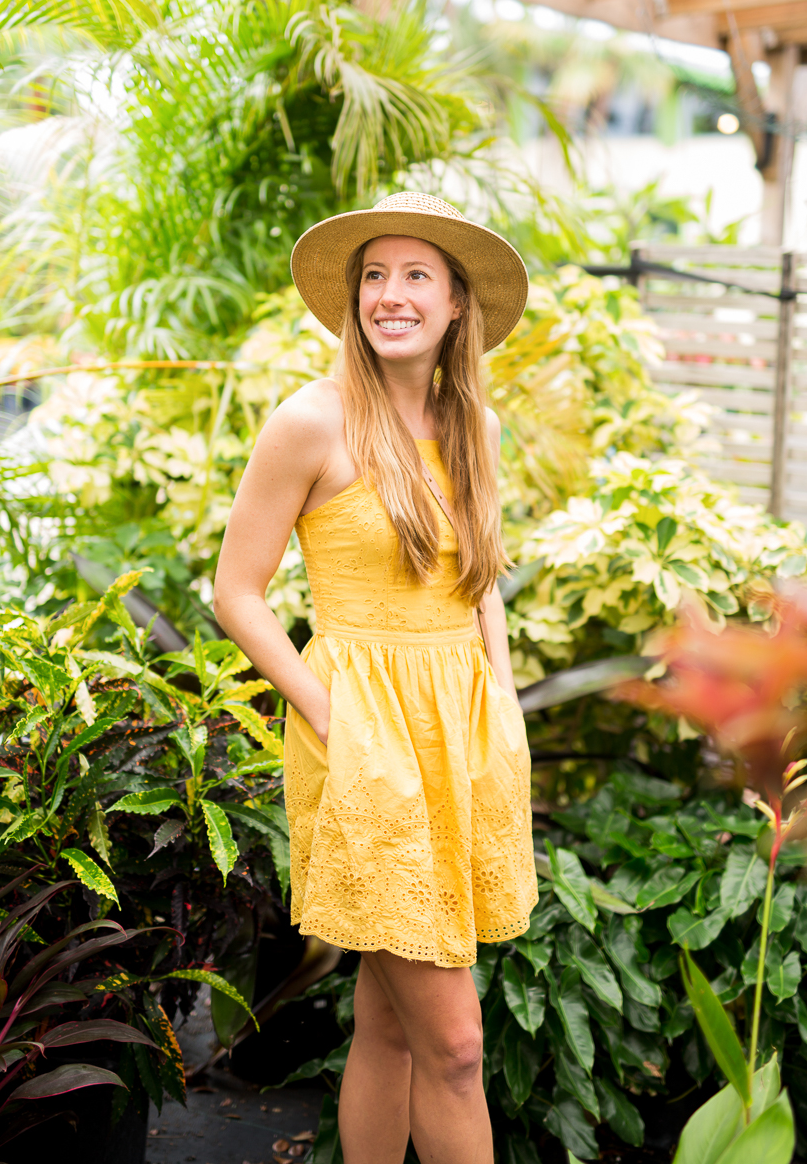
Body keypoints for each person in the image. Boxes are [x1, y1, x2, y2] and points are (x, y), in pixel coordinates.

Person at [214, 191, 538, 1164]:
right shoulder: (309, 422)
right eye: (373, 275)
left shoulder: (468, 419)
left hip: (461, 733)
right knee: (455, 1042)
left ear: (452, 306)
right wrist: (331, 715)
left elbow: (480, 580)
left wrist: (507, 702)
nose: (388, 295)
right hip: (362, 737)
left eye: (414, 276)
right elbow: (236, 591)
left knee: (392, 1026)